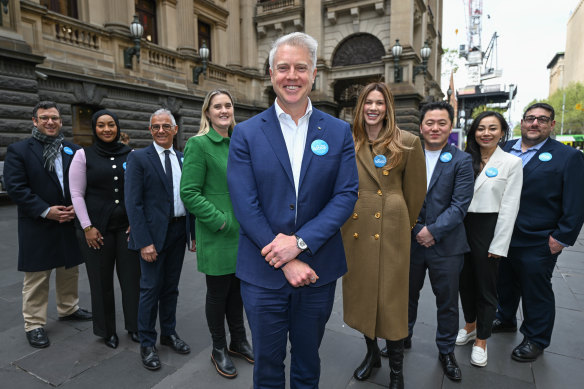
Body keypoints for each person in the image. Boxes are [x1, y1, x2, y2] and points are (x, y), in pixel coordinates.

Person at [226, 32, 358, 388]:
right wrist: (285, 257)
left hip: (317, 270)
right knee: (267, 364)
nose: (292, 76)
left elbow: (346, 195)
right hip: (262, 271)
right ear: (271, 74)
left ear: (314, 73)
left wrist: (299, 244)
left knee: (307, 361)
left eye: (301, 67)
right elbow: (245, 203)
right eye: (283, 67)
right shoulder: (246, 134)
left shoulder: (339, 131)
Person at [341, 83, 426, 388]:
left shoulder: (407, 141)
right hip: (356, 229)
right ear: (360, 106)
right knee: (363, 295)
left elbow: (416, 193)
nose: (373, 108)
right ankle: (372, 354)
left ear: (387, 107)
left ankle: (396, 372)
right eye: (368, 102)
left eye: (379, 103)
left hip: (392, 229)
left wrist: (400, 222)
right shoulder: (349, 141)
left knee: (392, 301)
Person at [493, 103, 584, 362]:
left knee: (536, 289)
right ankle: (505, 318)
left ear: (551, 125)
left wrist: (562, 237)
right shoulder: (504, 148)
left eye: (542, 120)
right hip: (503, 234)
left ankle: (536, 338)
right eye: (530, 118)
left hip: (539, 239)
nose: (535, 124)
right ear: (521, 122)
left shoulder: (568, 157)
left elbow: (576, 202)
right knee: (504, 281)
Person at [4, 101, 92, 349]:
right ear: (35, 121)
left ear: (60, 121)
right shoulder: (19, 150)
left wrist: (79, 205)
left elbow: (85, 183)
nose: (50, 122)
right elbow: (16, 188)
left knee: (69, 269)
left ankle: (68, 308)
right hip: (38, 222)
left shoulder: (73, 149)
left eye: (54, 118)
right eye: (44, 118)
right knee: (37, 275)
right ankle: (33, 324)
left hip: (68, 220)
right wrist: (45, 211)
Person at [180, 89, 253, 379]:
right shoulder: (198, 144)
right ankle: (219, 347)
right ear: (207, 112)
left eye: (228, 105)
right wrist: (220, 220)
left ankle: (238, 340)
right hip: (218, 233)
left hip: (244, 236)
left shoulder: (239, 141)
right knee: (218, 294)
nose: (224, 110)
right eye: (217, 106)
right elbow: (189, 192)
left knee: (238, 293)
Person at [407, 101, 474, 381]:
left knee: (446, 302)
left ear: (450, 126)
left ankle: (446, 350)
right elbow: (399, 198)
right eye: (430, 123)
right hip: (410, 243)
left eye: (441, 123)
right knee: (406, 297)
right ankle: (401, 337)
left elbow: (460, 206)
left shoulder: (462, 160)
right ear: (421, 126)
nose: (435, 128)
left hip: (447, 247)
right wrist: (416, 229)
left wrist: (431, 231)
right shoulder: (407, 156)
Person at [125, 108, 196, 370]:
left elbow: (189, 197)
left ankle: (169, 334)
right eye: (155, 127)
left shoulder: (182, 157)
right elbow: (134, 204)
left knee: (171, 288)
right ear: (150, 130)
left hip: (178, 232)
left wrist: (193, 234)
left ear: (175, 130)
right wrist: (144, 241)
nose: (161, 131)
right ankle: (147, 342)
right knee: (150, 290)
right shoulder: (139, 158)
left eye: (166, 126)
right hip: (152, 237)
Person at [455, 111, 522, 367]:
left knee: (486, 286)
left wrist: (499, 244)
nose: (486, 133)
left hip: (489, 227)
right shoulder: (464, 159)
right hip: (461, 227)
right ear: (474, 132)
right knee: (465, 283)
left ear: (502, 132)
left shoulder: (511, 163)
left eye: (492, 128)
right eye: (481, 128)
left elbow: (509, 206)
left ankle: (482, 339)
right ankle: (470, 324)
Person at [69, 110, 140, 348]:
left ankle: (135, 325)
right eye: (101, 125)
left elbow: (137, 191)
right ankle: (106, 330)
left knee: (132, 280)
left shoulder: (130, 154)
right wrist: (87, 226)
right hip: (96, 229)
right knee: (100, 281)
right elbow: (77, 194)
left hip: (126, 228)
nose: (107, 129)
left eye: (111, 125)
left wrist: (135, 220)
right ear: (94, 128)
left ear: (118, 127)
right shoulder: (83, 155)